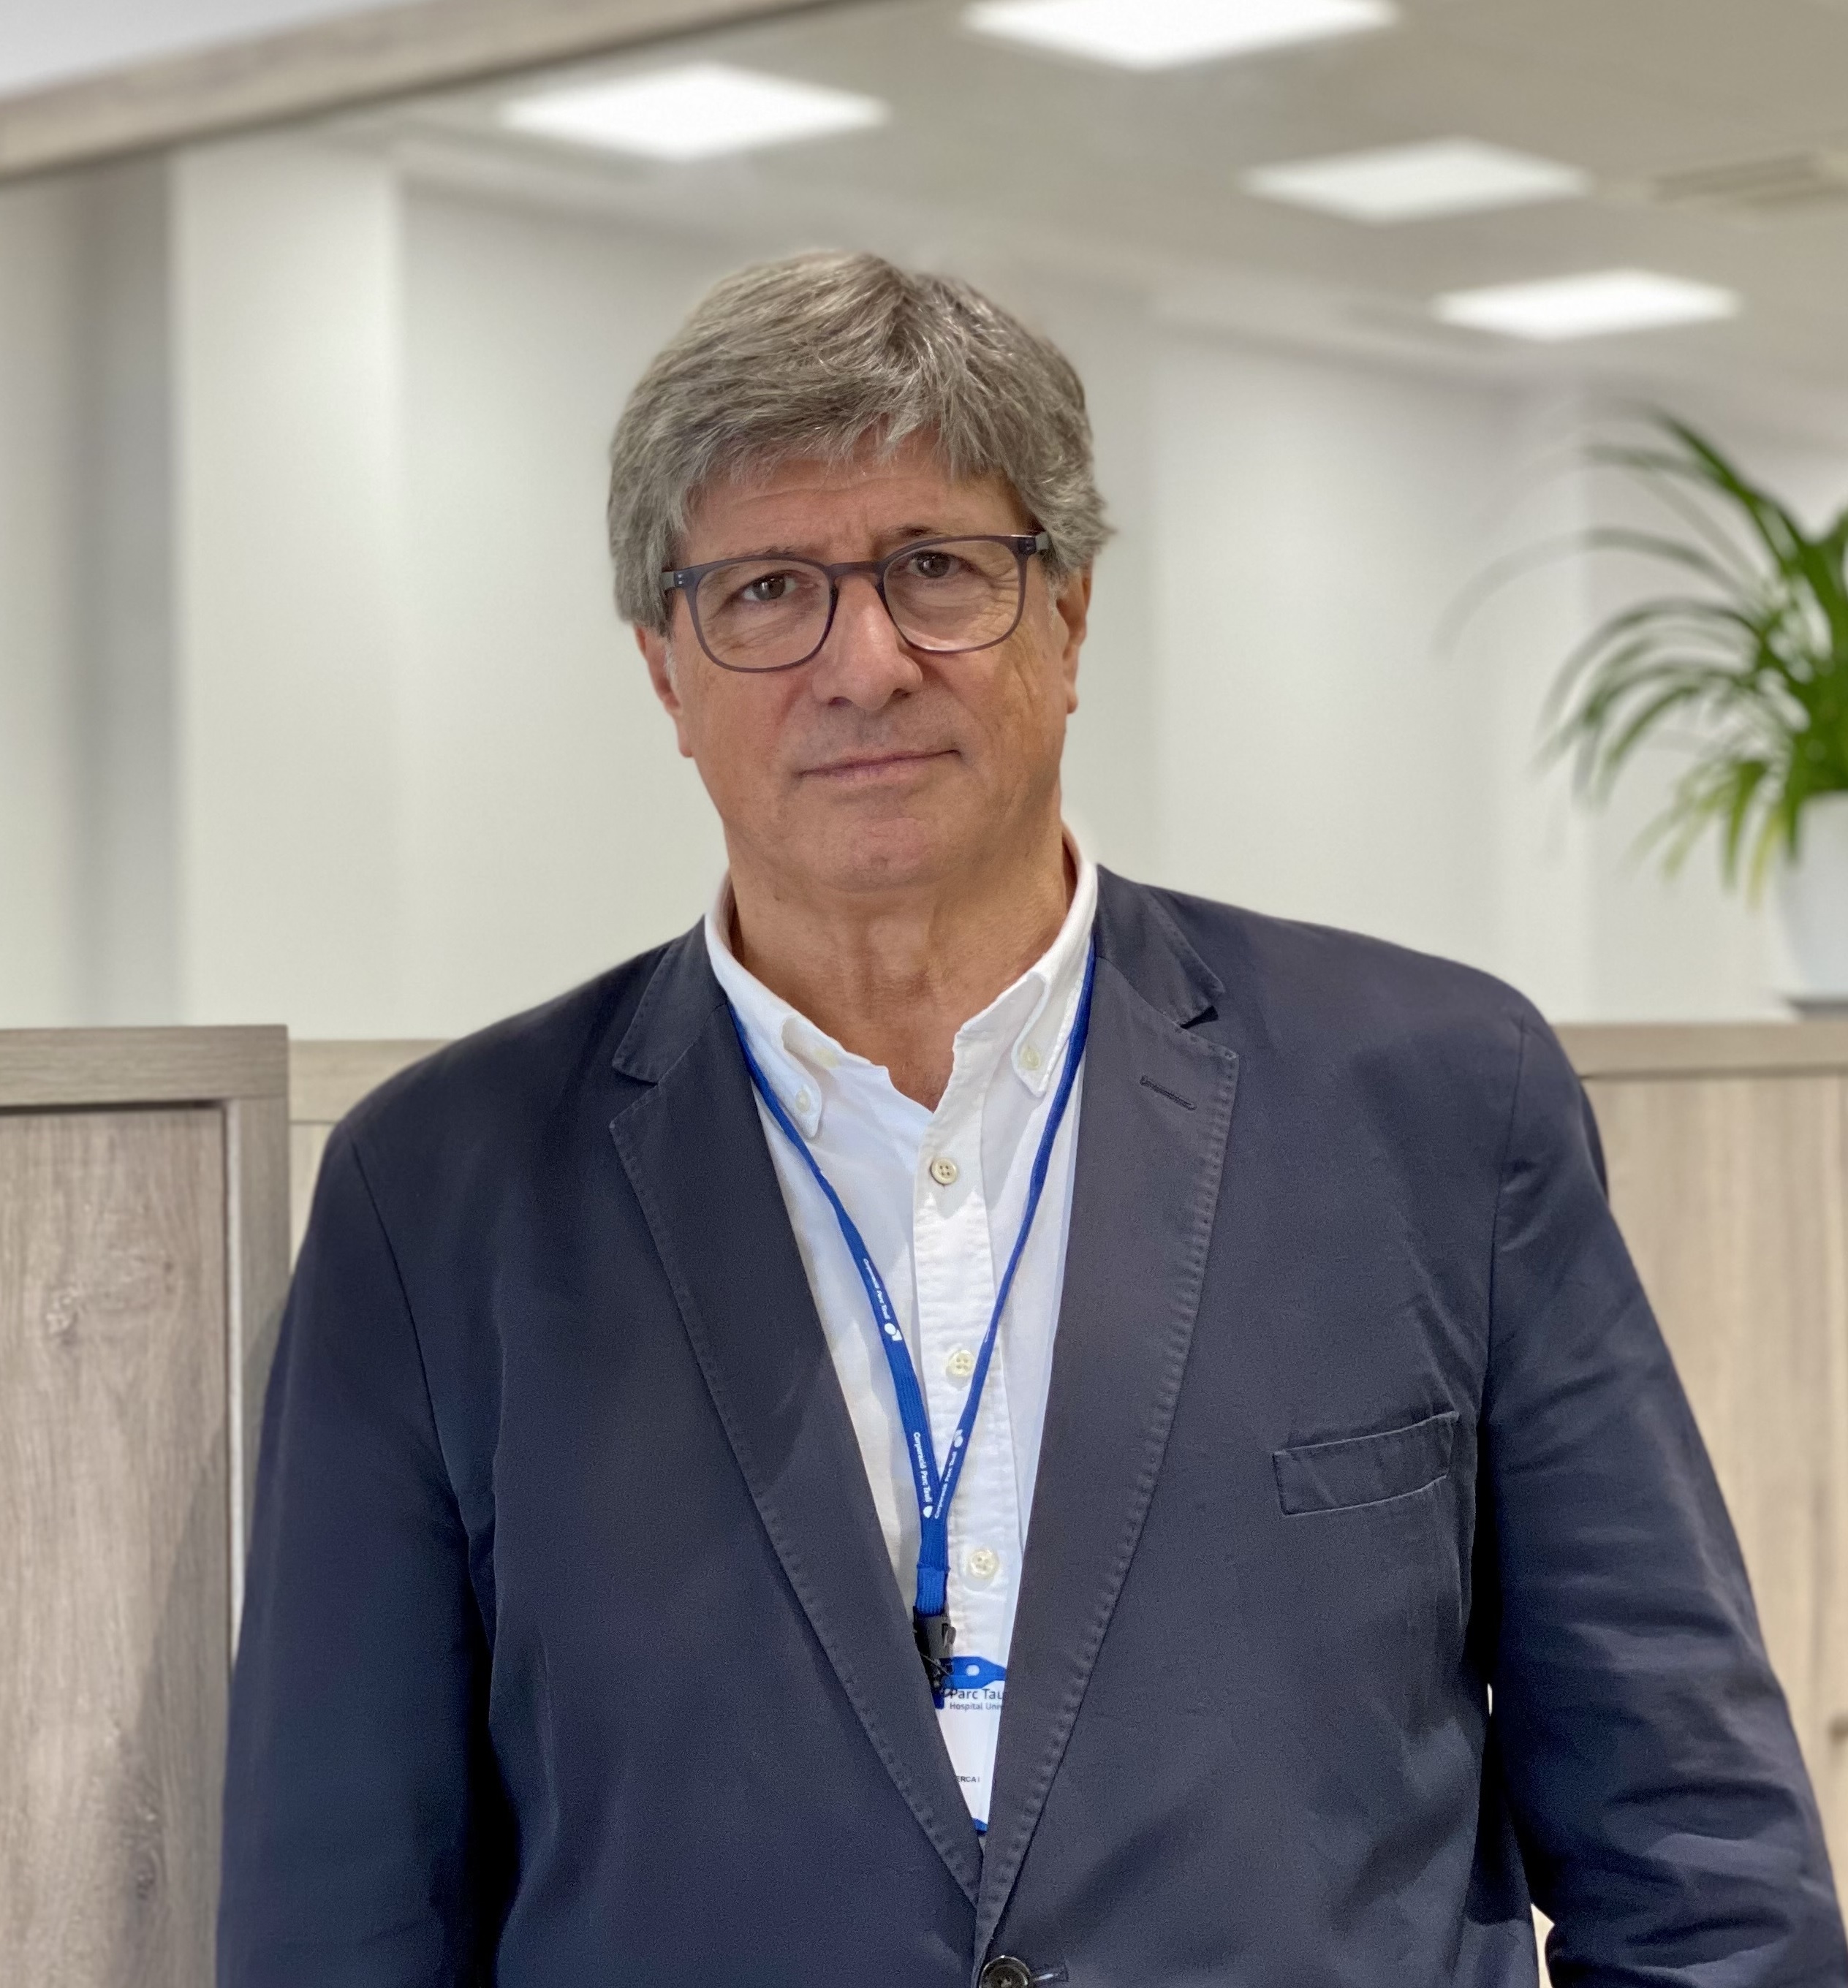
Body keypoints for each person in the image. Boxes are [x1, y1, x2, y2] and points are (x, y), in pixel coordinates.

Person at [217, 251, 1845, 1987]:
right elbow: (340, 1924)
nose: (863, 662)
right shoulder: (437, 1194)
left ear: (1067, 617)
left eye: (936, 568)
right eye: (765, 590)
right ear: (664, 671)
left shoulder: (1438, 1101)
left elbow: (1700, 1864)